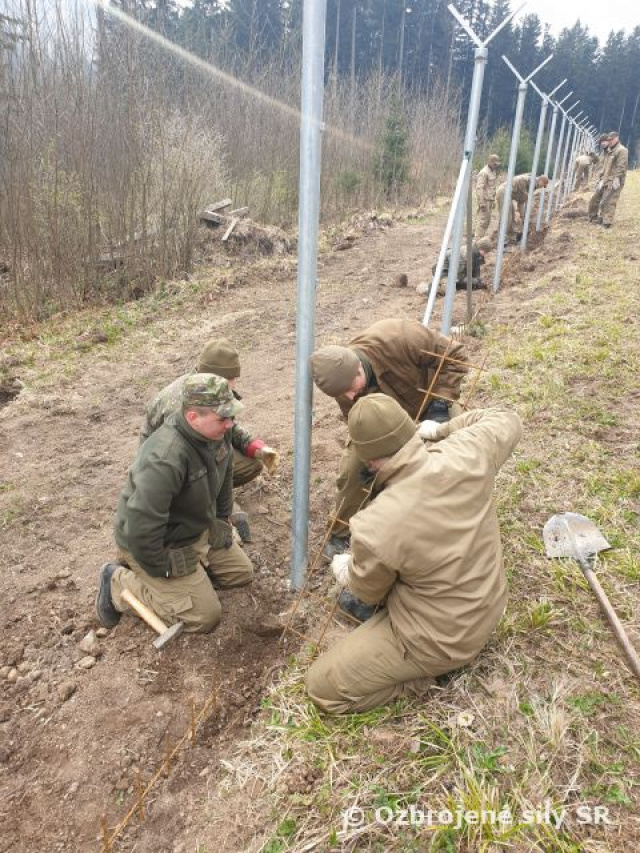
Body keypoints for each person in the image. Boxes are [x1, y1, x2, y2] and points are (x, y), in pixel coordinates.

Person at [305, 395, 522, 714]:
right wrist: (441, 430)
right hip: (488, 606)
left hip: (442, 640)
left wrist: (346, 569)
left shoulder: (376, 524)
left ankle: (420, 678)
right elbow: (506, 417)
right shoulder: (468, 451)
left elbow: (368, 592)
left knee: (321, 688)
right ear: (411, 430)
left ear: (369, 461)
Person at [95, 374, 254, 634]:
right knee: (205, 616)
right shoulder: (164, 458)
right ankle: (116, 581)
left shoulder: (216, 434)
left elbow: (225, 475)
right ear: (193, 417)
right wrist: (164, 563)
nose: (230, 425)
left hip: (194, 526)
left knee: (240, 574)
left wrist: (222, 518)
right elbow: (140, 532)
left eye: (231, 416)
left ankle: (189, 583)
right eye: (223, 418)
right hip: (156, 542)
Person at [310, 318, 468, 571]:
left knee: (454, 448)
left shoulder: (399, 337)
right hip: (385, 421)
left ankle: (457, 513)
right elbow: (358, 422)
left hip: (432, 403)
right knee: (354, 469)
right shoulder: (342, 386)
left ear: (358, 369)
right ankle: (340, 532)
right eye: (343, 395)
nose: (350, 397)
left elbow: (455, 356)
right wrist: (372, 457)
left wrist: (439, 404)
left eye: (351, 388)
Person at [141, 337, 280, 541]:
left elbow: (226, 426)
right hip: (166, 467)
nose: (235, 384)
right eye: (231, 378)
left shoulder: (211, 391)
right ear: (216, 377)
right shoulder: (184, 404)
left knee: (250, 464)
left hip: (196, 454)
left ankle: (215, 502)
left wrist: (255, 447)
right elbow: (181, 456)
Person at [588, 131, 628, 228]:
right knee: (597, 199)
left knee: (609, 201)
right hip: (606, 179)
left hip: (615, 180)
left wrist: (617, 179)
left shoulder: (622, 150)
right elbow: (604, 165)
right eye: (608, 140)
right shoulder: (610, 150)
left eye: (610, 140)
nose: (609, 142)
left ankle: (606, 223)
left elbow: (621, 166)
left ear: (616, 138)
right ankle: (597, 218)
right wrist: (601, 178)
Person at [495, 174, 549, 241]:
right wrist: (524, 219)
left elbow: (521, 202)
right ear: (541, 181)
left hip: (508, 194)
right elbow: (521, 202)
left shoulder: (532, 184)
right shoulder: (530, 182)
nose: (542, 187)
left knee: (512, 216)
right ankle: (500, 239)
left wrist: (523, 218)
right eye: (543, 185)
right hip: (503, 192)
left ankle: (509, 236)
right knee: (506, 216)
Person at [475, 154, 501, 238]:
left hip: (490, 200)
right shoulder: (484, 172)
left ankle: (480, 240)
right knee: (482, 222)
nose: (496, 166)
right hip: (485, 200)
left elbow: (492, 187)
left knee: (487, 222)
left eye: (497, 164)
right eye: (494, 164)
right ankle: (477, 241)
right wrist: (481, 202)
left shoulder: (492, 171)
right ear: (490, 162)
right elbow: (479, 188)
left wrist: (493, 200)